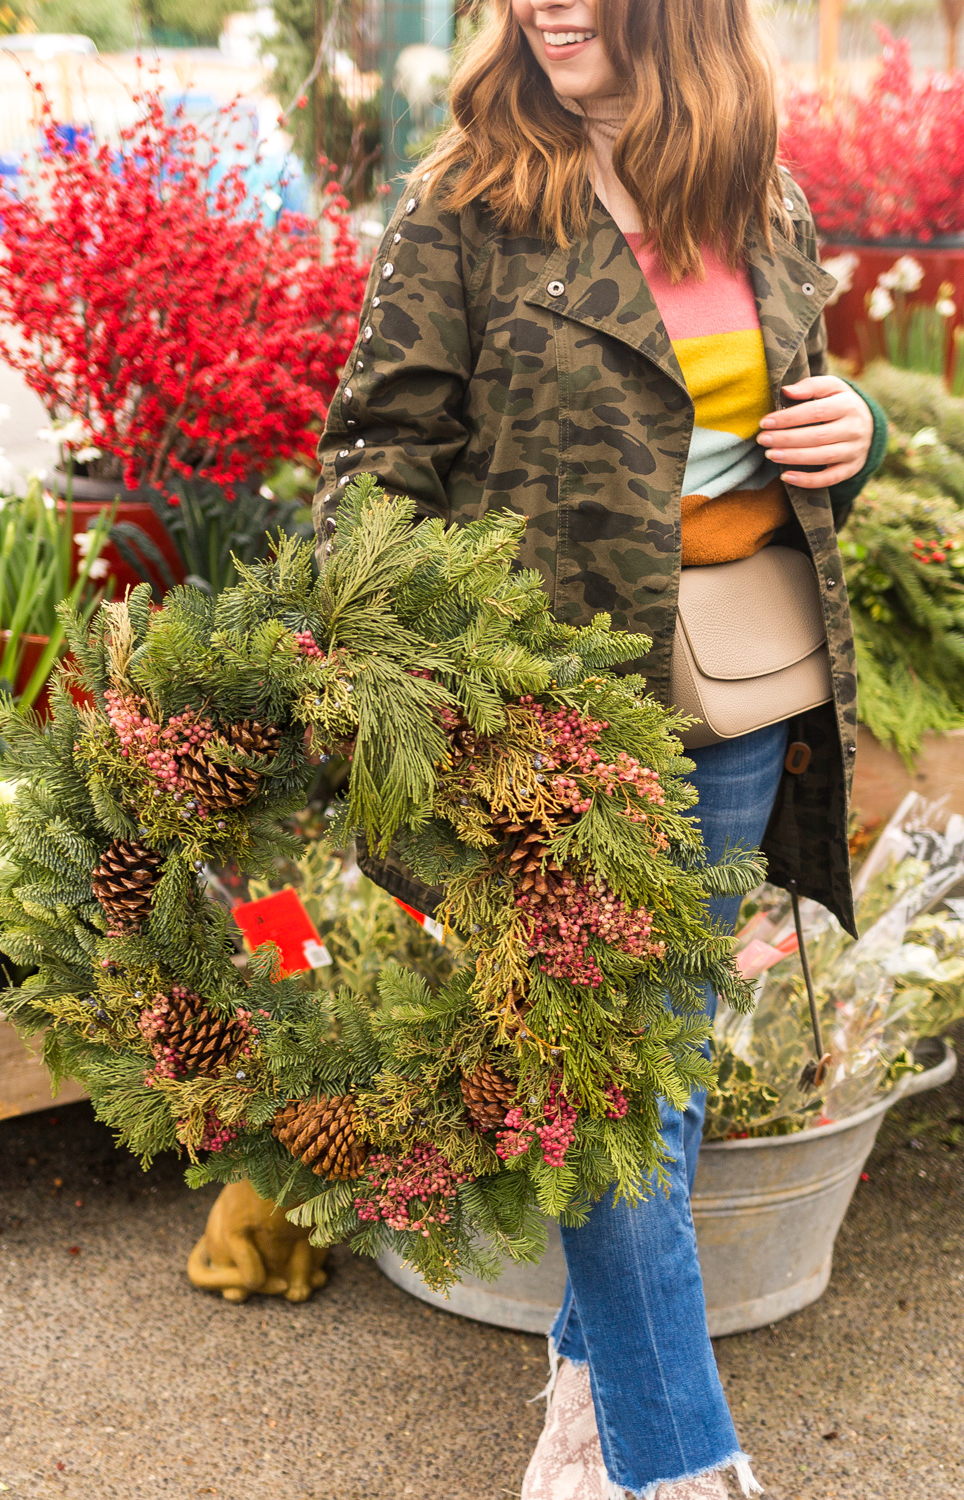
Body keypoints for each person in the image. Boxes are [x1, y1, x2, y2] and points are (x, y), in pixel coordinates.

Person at [313, 1, 887, 1496]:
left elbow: (790, 417)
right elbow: (375, 456)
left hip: (737, 691)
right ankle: (676, 1461)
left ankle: (589, 1407)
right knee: (608, 1082)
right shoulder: (471, 198)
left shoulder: (761, 192)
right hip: (545, 717)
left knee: (662, 1064)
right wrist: (410, 703)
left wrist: (852, 436)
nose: (543, 6)